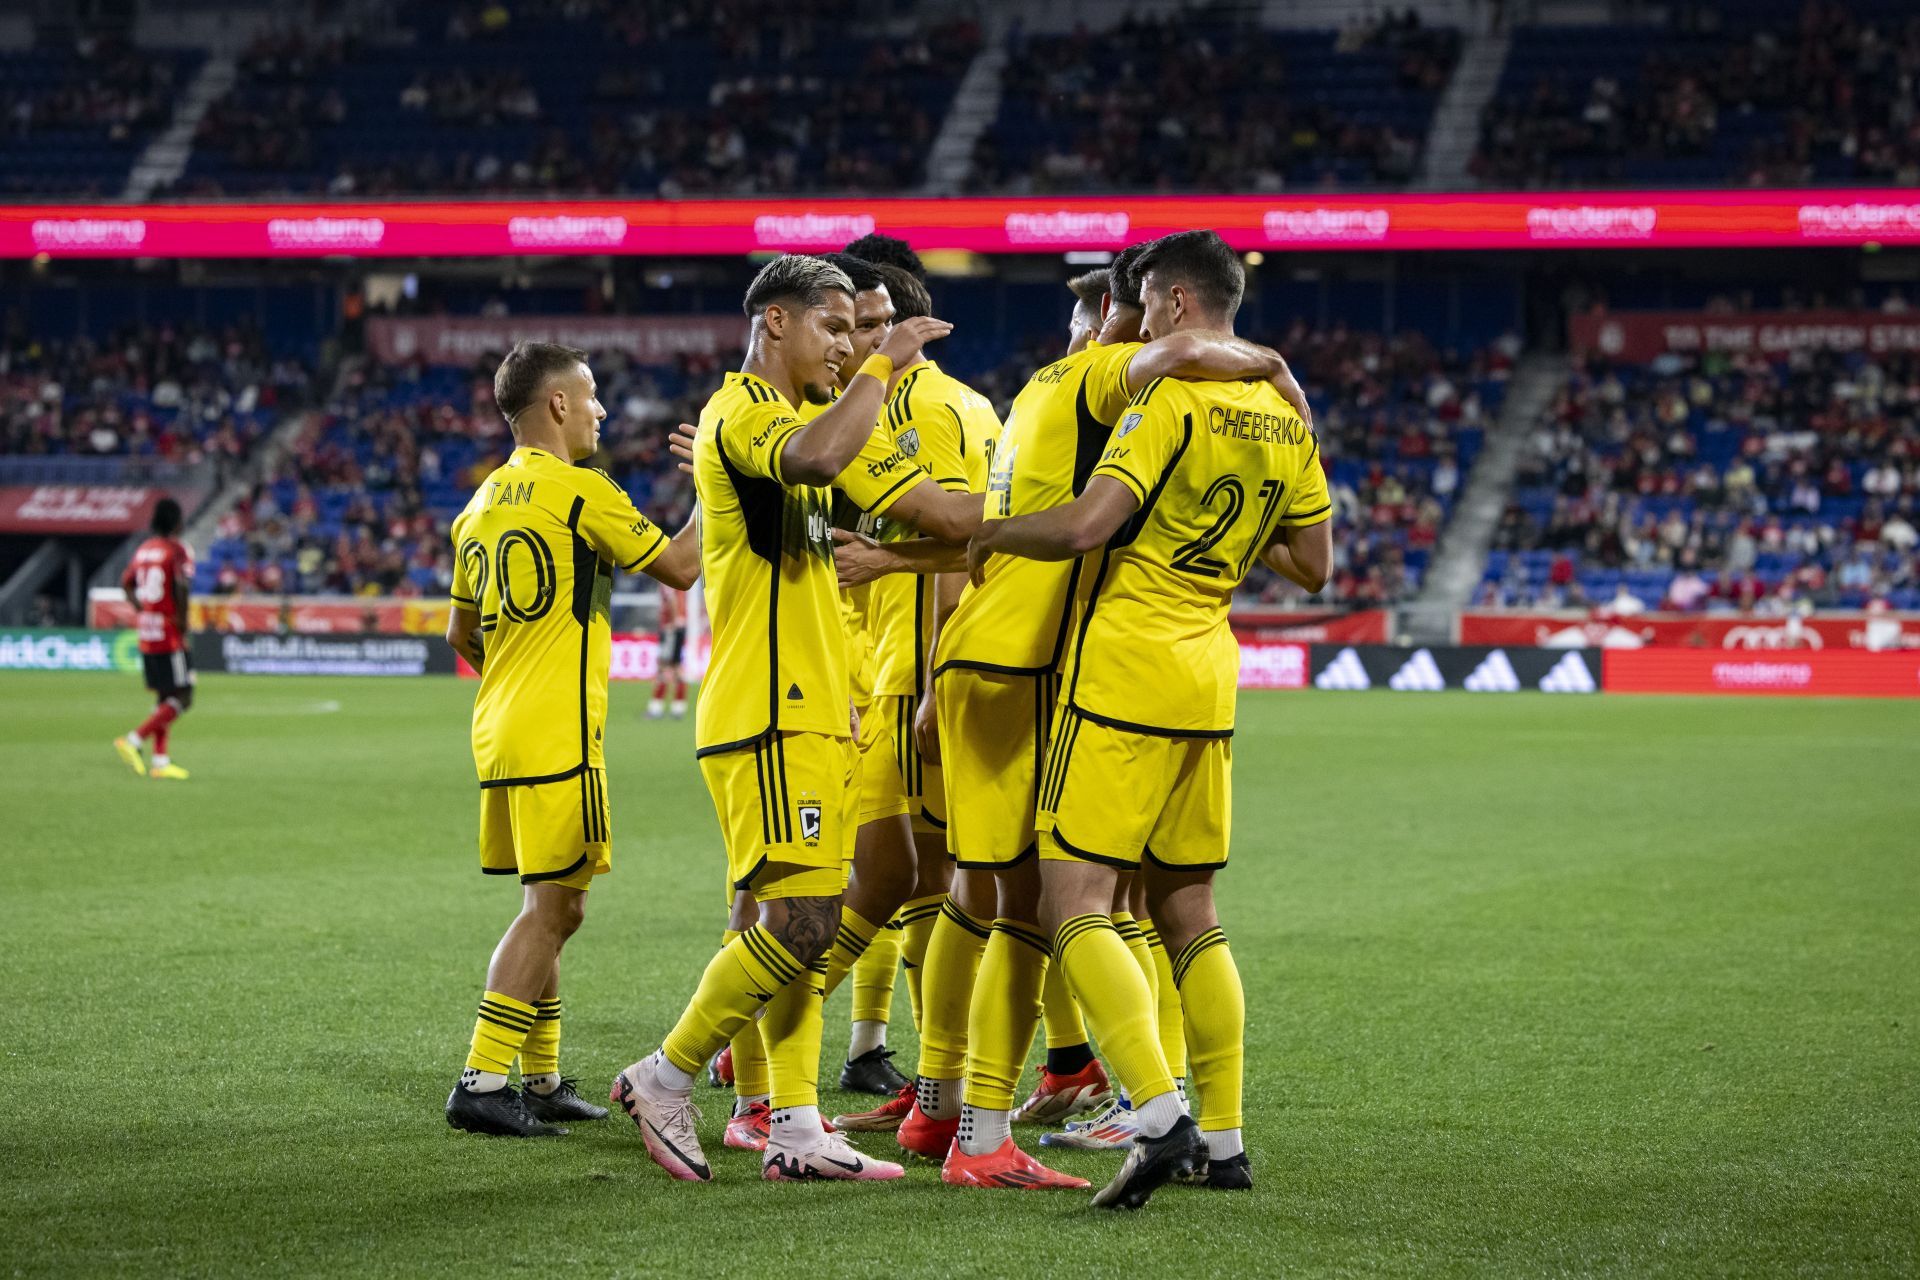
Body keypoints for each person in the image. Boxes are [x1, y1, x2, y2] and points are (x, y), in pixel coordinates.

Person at [834, 241, 1308, 1190]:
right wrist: (1272, 366)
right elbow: (1170, 377)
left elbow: (1001, 536)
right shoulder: (1107, 375)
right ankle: (995, 1126)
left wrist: (913, 573)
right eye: (1126, 313)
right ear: (1123, 323)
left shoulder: (1041, 399)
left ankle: (954, 1113)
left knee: (999, 901)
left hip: (998, 658)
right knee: (1030, 905)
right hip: (1027, 670)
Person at [966, 230, 1331, 1208]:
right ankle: (1227, 1139)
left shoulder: (1166, 398)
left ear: (1170, 305)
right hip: (1211, 670)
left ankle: (1159, 1114)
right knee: (1190, 913)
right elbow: (1314, 564)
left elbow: (1086, 524)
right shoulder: (1285, 418)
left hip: (1128, 661)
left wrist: (992, 531)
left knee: (1072, 899)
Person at [610, 254, 955, 1183]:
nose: (850, 346)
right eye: (834, 328)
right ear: (775, 325)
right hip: (769, 713)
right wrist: (884, 371)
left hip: (815, 713)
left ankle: (796, 1127)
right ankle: (666, 1073)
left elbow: (937, 508)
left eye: (859, 331)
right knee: (803, 919)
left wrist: (1047, 512)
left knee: (790, 919)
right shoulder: (749, 412)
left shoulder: (810, 419)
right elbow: (818, 459)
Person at [441, 341, 700, 1139]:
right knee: (554, 909)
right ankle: (481, 1080)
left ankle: (542, 1076)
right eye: (590, 397)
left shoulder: (479, 503)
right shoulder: (578, 489)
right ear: (555, 404)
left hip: (499, 724)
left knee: (554, 901)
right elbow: (684, 565)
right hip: (557, 729)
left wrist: (520, 667)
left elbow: (461, 629)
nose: (601, 411)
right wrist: (715, 485)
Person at [114, 497, 196, 781]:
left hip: (147, 630)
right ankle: (134, 740)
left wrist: (142, 609)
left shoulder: (143, 550)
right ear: (176, 522)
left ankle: (160, 761)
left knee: (165, 696)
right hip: (169, 632)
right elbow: (181, 585)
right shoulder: (175, 550)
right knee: (184, 696)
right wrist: (183, 624)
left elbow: (126, 584)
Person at [648, 585, 689, 720]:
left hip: (671, 628)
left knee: (664, 667)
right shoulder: (677, 580)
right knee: (676, 667)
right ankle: (678, 707)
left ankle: (656, 708)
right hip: (678, 627)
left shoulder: (667, 580)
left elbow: (671, 599)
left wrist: (673, 621)